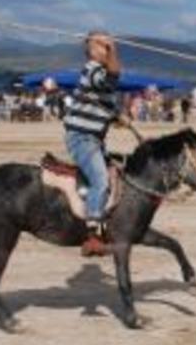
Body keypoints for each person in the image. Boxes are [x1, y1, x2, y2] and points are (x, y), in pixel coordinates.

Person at [63, 31, 121, 257]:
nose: (106, 48)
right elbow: (113, 77)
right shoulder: (93, 69)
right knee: (101, 180)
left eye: (107, 44)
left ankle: (106, 222)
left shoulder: (99, 72)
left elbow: (102, 101)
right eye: (102, 44)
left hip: (95, 138)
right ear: (91, 49)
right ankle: (92, 236)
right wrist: (113, 49)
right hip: (82, 137)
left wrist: (116, 116)